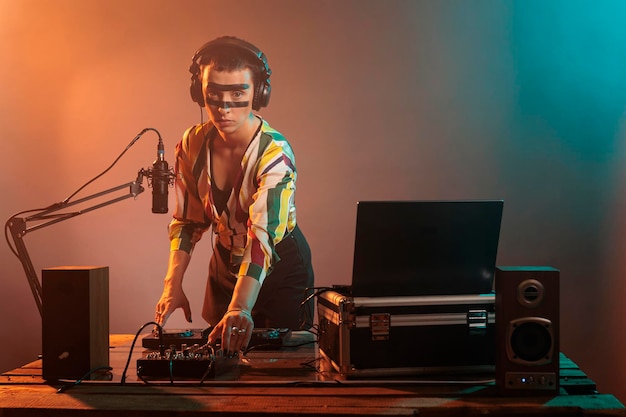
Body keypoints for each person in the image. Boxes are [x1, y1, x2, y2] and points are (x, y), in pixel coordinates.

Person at [154, 36, 314, 355]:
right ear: (199, 92)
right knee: (217, 361)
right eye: (214, 93)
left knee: (279, 368)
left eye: (238, 93)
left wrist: (239, 308)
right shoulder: (192, 144)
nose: (224, 106)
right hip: (225, 263)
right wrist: (172, 283)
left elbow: (261, 239)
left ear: (259, 93)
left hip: (278, 267)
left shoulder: (274, 153)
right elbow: (187, 221)